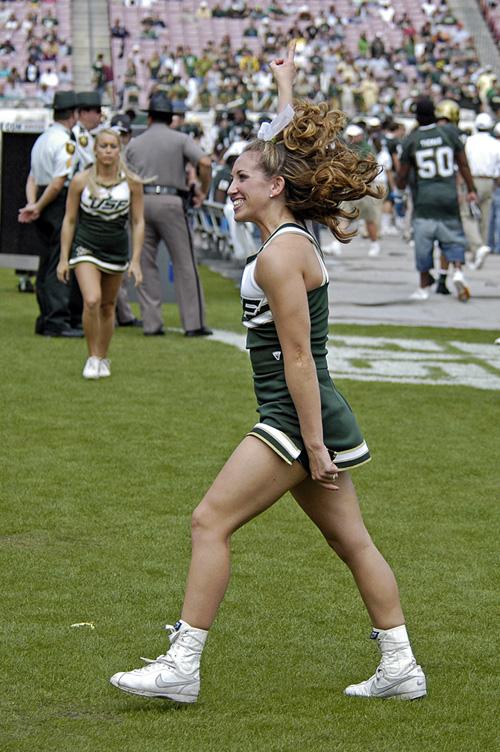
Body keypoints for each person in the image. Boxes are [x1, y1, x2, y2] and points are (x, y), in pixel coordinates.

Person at [110, 43, 426, 704]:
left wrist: (311, 445)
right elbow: (280, 150)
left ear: (274, 187)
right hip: (310, 415)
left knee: (209, 521)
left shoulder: (283, 255)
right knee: (352, 542)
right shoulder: (287, 235)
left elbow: (300, 357)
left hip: (293, 416)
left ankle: (182, 666)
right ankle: (401, 666)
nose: (230, 187)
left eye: (241, 179)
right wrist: (286, 86)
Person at [57, 128, 144, 379]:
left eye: (113, 146)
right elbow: (70, 220)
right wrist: (63, 258)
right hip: (86, 246)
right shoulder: (81, 181)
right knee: (92, 300)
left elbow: (138, 221)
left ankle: (103, 357)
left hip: (116, 249)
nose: (108, 151)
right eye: (103, 146)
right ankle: (92, 356)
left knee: (108, 306)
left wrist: (136, 260)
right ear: (95, 150)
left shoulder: (132, 182)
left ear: (119, 150)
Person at [125, 92, 213, 336]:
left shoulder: (134, 143)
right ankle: (193, 324)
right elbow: (205, 163)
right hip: (172, 202)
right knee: (185, 263)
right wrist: (203, 190)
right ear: (171, 118)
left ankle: (152, 324)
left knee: (145, 263)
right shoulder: (180, 139)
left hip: (140, 202)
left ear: (149, 117)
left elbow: (125, 174)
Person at [396, 97, 478, 302]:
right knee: (453, 236)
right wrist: (471, 189)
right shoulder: (448, 133)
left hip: (425, 198)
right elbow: (463, 164)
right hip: (448, 195)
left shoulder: (412, 140)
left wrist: (400, 187)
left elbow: (402, 175)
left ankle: (424, 285)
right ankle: (457, 271)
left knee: (424, 243)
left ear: (416, 117)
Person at [18, 90, 83, 337]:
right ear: (73, 115)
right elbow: (58, 183)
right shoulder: (65, 143)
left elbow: (32, 178)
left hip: (42, 200)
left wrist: (33, 203)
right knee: (60, 260)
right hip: (57, 202)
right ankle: (58, 319)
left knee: (46, 261)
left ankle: (45, 316)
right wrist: (39, 205)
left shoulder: (42, 139)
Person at [462, 113, 500, 269]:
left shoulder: (469, 142)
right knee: (485, 217)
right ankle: (480, 250)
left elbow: (463, 164)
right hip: (489, 181)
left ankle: (477, 247)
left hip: (472, 179)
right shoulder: (495, 144)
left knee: (467, 215)